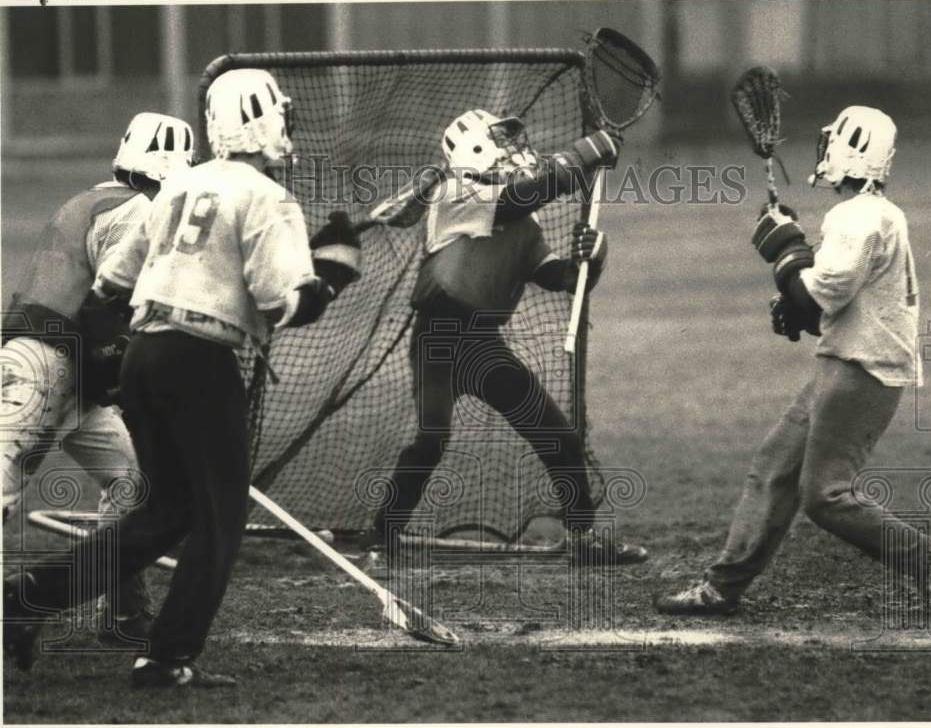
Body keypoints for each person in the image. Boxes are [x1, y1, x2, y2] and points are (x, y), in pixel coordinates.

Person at [3, 68, 361, 688]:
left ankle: (26, 599)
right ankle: (167, 656)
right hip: (200, 359)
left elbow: (112, 285)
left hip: (145, 360)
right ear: (264, 120)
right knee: (217, 516)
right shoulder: (266, 195)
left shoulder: (180, 186)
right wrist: (334, 270)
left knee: (164, 512)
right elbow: (288, 307)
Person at [655, 106, 931, 615]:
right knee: (774, 468)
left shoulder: (858, 216)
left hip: (861, 371)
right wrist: (795, 285)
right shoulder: (874, 214)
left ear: (851, 151)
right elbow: (832, 300)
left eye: (833, 142)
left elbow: (823, 289)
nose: (823, 150)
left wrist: (785, 251)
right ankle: (723, 587)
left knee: (824, 495)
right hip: (847, 362)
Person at [368, 109, 647, 564]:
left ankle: (582, 538)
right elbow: (530, 193)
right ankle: (383, 535)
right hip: (438, 338)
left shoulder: (524, 222)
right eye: (501, 139)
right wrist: (586, 154)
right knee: (431, 439)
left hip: (482, 344)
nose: (516, 147)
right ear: (475, 148)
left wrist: (591, 261)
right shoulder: (457, 193)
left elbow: (559, 277)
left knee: (559, 437)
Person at [1, 112, 193, 645]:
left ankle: (126, 615)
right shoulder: (137, 209)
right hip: (45, 364)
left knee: (133, 486)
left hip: (68, 372)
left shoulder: (90, 198)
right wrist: (128, 370)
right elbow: (105, 304)